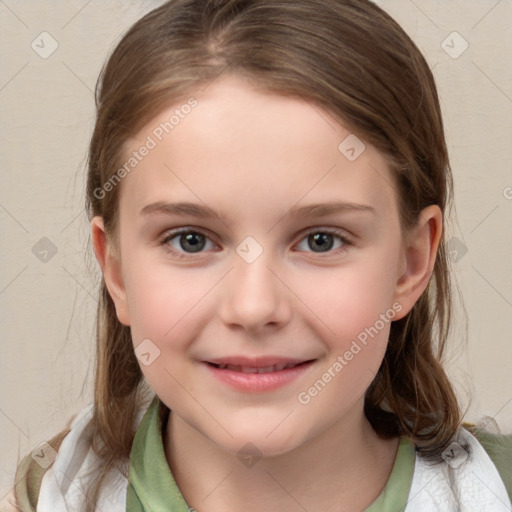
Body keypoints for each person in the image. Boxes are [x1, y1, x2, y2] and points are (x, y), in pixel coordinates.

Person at [4, 1, 512, 511]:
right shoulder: (47, 497)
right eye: (191, 240)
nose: (253, 308)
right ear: (116, 271)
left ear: (410, 264)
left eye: (321, 240)